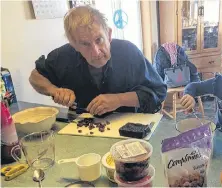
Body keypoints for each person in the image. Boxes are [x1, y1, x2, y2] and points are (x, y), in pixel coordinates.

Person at [29, 6, 167, 115]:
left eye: (99, 40)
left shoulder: (129, 52)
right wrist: (54, 90)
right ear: (74, 45)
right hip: (81, 130)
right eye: (85, 44)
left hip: (128, 129)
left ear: (109, 34)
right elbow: (35, 77)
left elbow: (158, 93)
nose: (96, 52)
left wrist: (119, 100)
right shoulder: (62, 56)